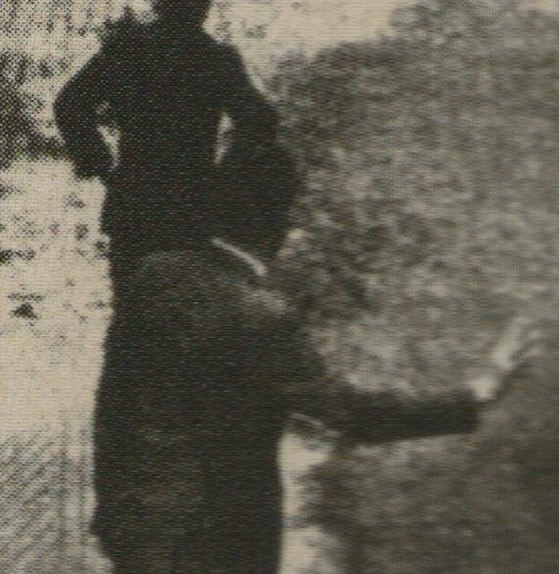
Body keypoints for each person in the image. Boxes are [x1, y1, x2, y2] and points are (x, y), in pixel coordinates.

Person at [92, 137, 536, 574]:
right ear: (281, 228)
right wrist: (476, 393)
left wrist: (119, 508)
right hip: (212, 543)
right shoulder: (260, 316)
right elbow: (355, 414)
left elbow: (115, 406)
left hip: (135, 526)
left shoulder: (153, 276)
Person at [56, 0, 280, 293]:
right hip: (190, 206)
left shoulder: (127, 50)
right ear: (206, 0)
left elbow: (70, 104)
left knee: (134, 310)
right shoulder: (216, 61)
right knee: (182, 319)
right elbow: (261, 122)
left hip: (134, 201)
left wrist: (102, 166)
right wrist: (226, 178)